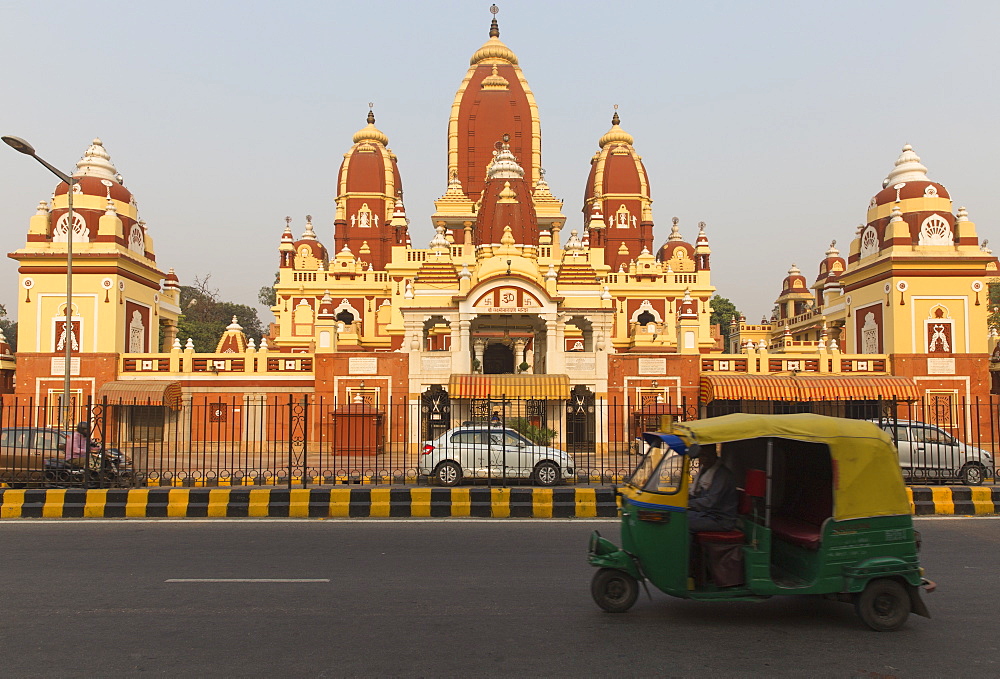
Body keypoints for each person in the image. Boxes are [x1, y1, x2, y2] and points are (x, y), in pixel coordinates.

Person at [688, 444, 739, 532]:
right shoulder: (704, 471)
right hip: (706, 514)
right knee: (678, 516)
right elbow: (697, 495)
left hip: (720, 520)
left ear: (715, 454)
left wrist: (687, 503)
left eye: (709, 455)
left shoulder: (722, 475)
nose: (706, 459)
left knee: (682, 521)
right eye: (703, 455)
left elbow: (710, 501)